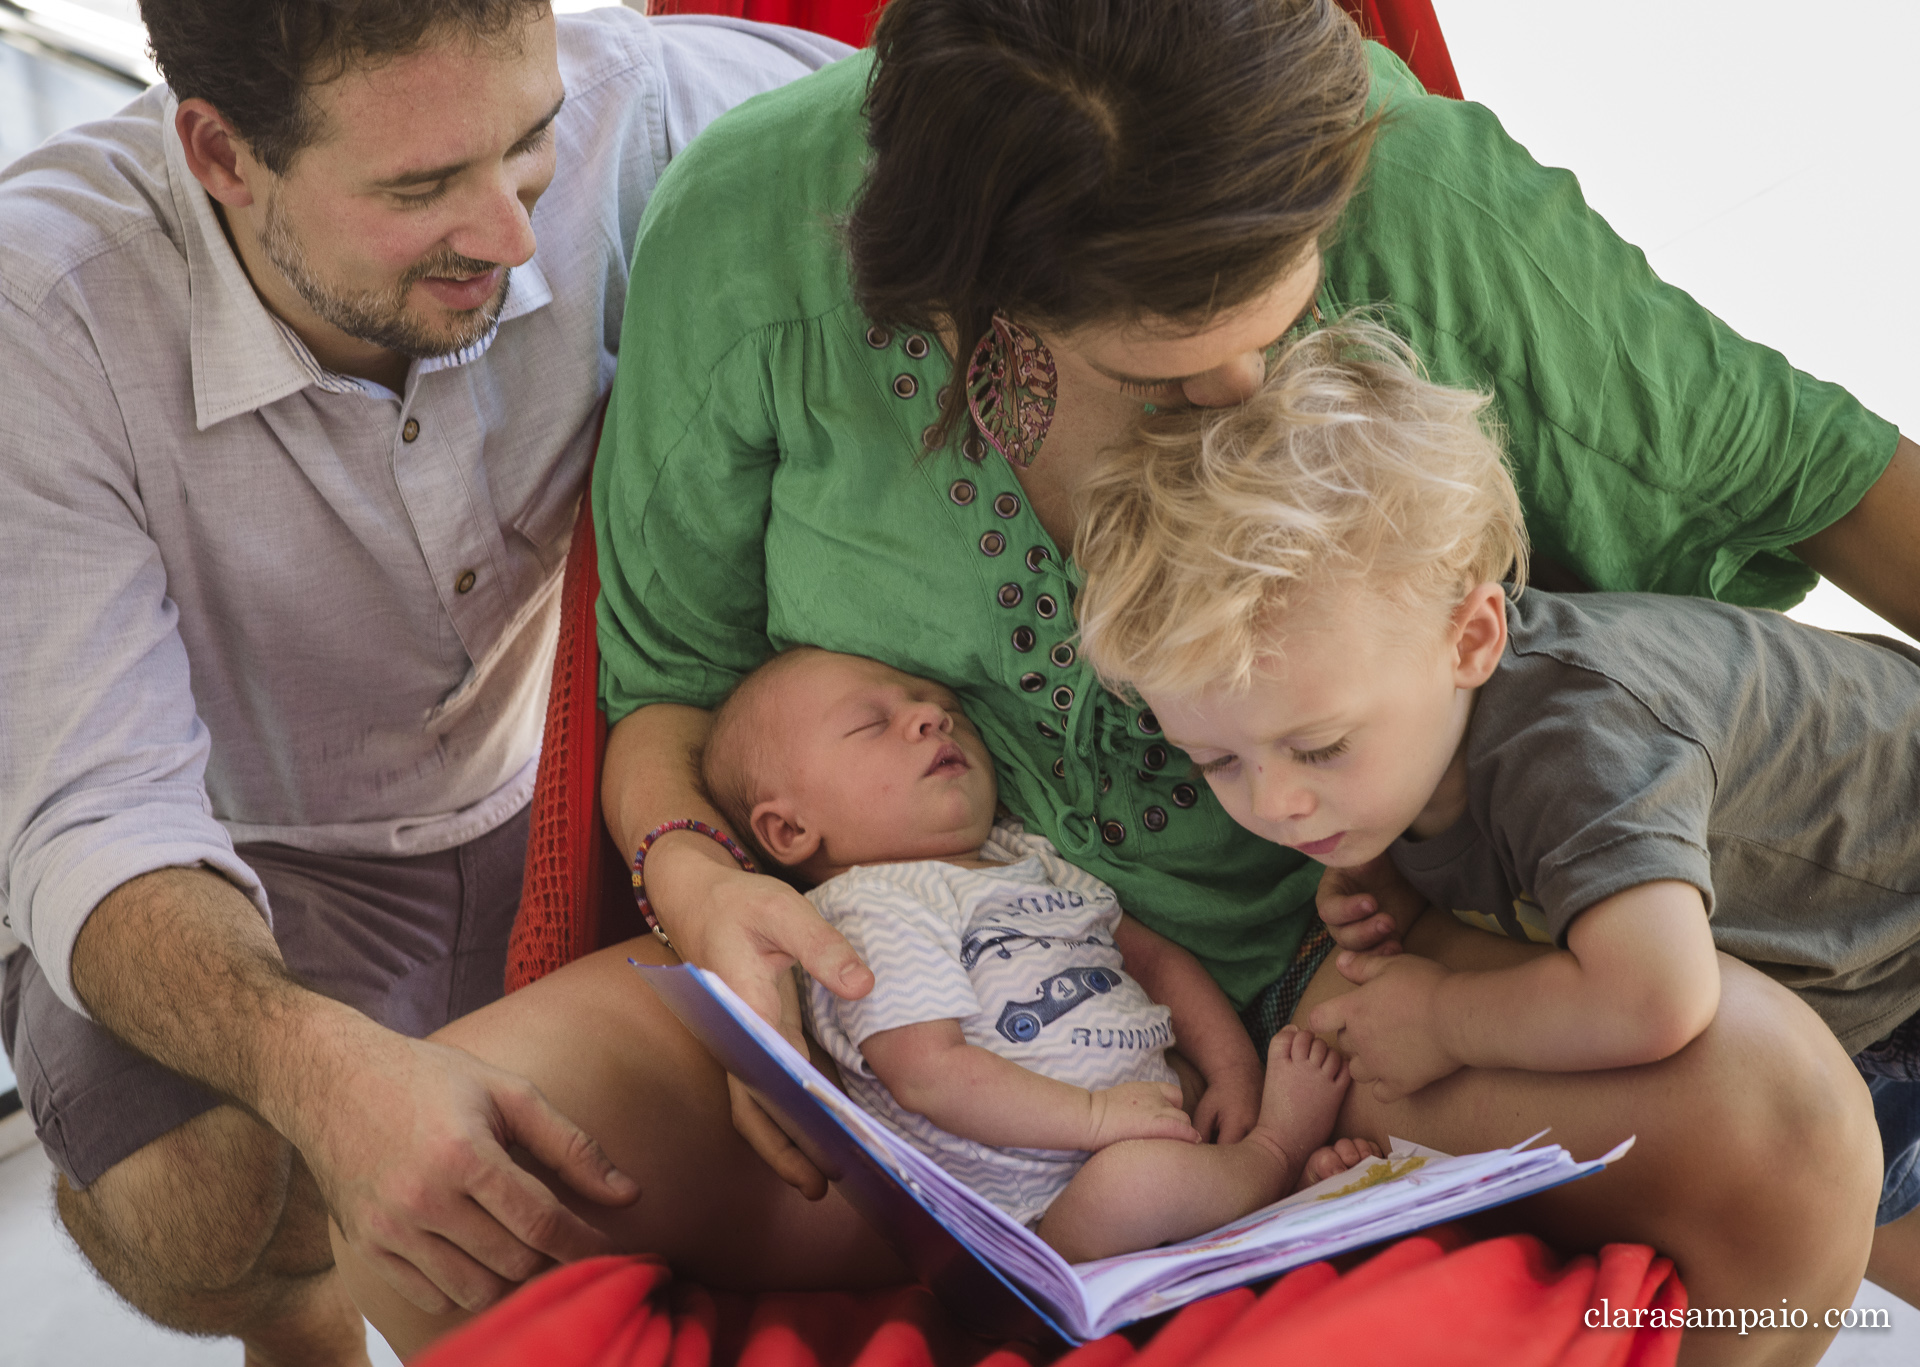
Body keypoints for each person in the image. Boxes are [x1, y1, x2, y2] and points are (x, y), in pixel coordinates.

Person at [343, 1, 1908, 1362]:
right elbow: (669, 689)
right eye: (1168, 375)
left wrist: (1411, 989)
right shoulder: (752, 240)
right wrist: (698, 888)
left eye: (1287, 326)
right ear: (970, 300)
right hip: (902, 973)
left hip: (1359, 983)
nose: (1244, 408)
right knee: (437, 1171)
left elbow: (1830, 477)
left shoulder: (1411, 187)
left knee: (1785, 1125)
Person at [0, 1, 847, 1361]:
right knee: (203, 1197)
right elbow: (88, 816)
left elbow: (949, 115)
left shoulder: (647, 100)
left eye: (528, 142)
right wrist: (324, 1078)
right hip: (252, 849)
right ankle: (298, 1326)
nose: (516, 232)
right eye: (420, 188)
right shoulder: (28, 305)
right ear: (222, 154)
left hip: (554, 784)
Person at [1071, 317, 1920, 1301]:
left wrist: (1445, 1017)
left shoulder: (1574, 749)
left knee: (1869, 1173)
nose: (1276, 799)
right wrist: (1391, 866)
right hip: (1830, 912)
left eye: (1319, 747)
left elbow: (1656, 996)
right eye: (1214, 758)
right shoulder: (1412, 720)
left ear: (1469, 637)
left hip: (1894, 936)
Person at [697, 646, 1377, 1260]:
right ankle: (1278, 1156)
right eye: (872, 723)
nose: (931, 716)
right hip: (1046, 1210)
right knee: (1133, 1186)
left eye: (938, 703)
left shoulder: (1023, 855)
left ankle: (1248, 1190)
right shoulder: (871, 909)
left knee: (1157, 1161)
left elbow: (1154, 962)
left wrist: (1233, 1072)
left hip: (1157, 1115)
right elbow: (928, 1074)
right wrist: (1095, 1119)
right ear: (789, 829)